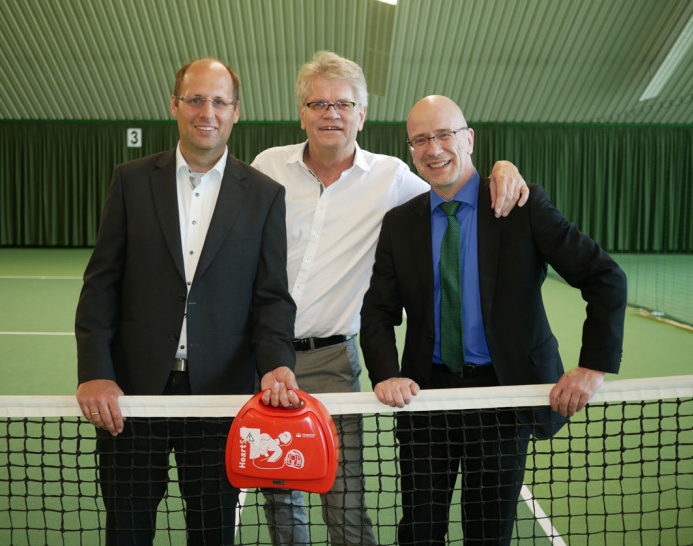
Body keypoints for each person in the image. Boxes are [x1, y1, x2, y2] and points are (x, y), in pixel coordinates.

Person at [251, 51, 529, 546]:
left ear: (362, 114)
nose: (330, 113)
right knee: (279, 490)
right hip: (261, 355)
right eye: (318, 103)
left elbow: (453, 188)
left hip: (334, 359)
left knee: (344, 496)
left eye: (343, 103)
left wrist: (502, 169)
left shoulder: (393, 177)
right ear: (302, 113)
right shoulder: (268, 166)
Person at [359, 95, 627, 545]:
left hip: (503, 397)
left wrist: (591, 366)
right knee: (419, 530)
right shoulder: (400, 223)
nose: (434, 148)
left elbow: (605, 277)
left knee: (488, 534)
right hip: (426, 399)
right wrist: (387, 374)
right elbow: (377, 310)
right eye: (420, 140)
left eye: (444, 135)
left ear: (468, 138)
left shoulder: (521, 207)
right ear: (411, 150)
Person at [74, 57, 299, 545]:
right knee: (128, 528)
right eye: (196, 99)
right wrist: (95, 370)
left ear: (236, 111)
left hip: (222, 399)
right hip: (132, 397)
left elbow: (272, 299)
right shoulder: (131, 181)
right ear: (174, 104)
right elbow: (101, 285)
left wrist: (278, 363)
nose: (207, 112)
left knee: (213, 529)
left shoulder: (264, 195)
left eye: (219, 101)